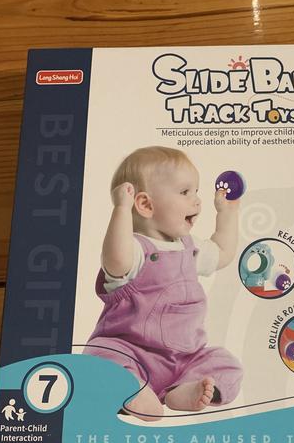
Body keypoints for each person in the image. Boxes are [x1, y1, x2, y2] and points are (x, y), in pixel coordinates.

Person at [83, 146, 242, 421]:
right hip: (130, 354)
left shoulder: (189, 248)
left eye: (196, 191)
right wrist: (121, 210)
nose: (197, 201)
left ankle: (182, 390)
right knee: (99, 356)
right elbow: (115, 260)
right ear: (146, 205)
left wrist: (227, 213)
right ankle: (133, 390)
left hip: (184, 360)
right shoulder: (134, 250)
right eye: (185, 192)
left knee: (226, 363)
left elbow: (223, 253)